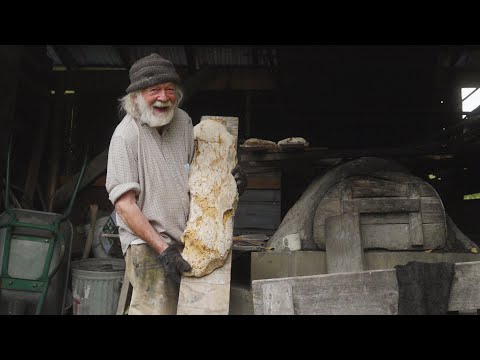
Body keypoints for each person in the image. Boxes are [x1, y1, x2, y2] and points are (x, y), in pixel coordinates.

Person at [106, 53, 246, 315]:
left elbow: (198, 176)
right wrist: (163, 249)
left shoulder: (182, 121)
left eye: (170, 89)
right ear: (136, 97)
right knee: (155, 311)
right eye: (154, 90)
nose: (163, 97)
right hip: (147, 245)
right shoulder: (125, 137)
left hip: (187, 240)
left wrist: (230, 182)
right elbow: (125, 206)